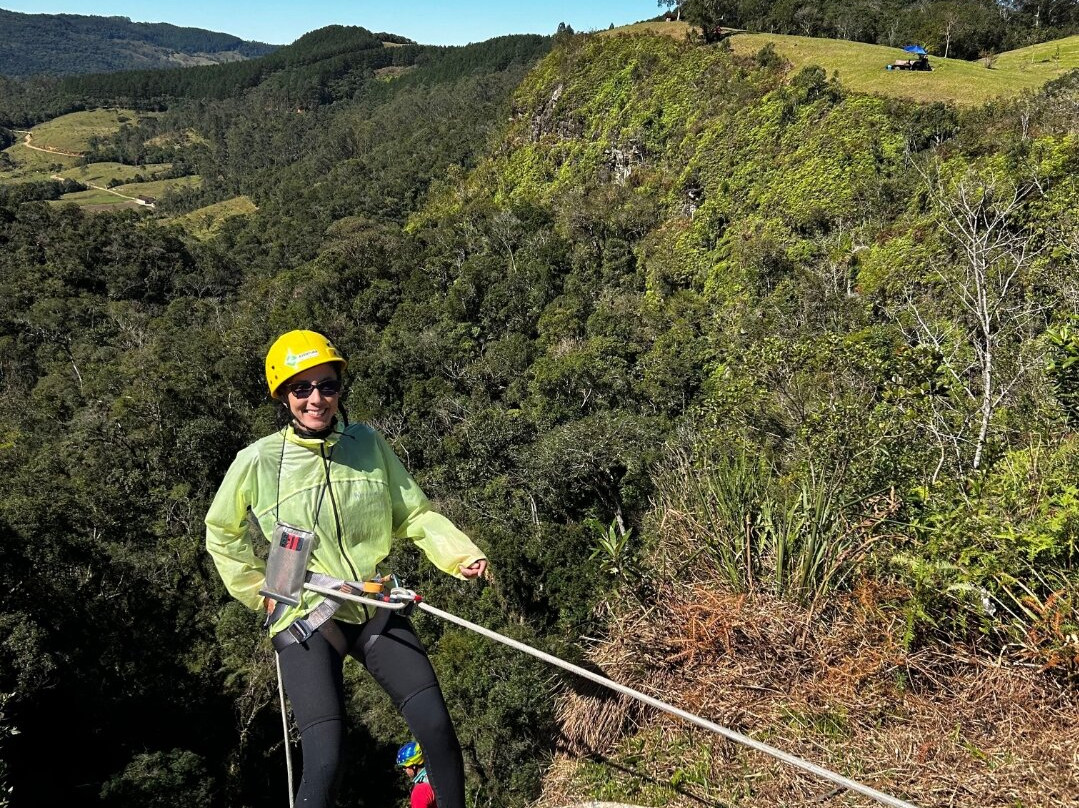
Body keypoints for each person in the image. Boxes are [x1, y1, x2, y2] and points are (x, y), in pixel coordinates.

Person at [205, 329, 487, 808]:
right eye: (302, 389)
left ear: (340, 389)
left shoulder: (366, 443)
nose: (317, 399)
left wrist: (461, 554)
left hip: (369, 600)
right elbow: (221, 531)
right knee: (326, 759)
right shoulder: (258, 460)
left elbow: (413, 514)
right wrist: (259, 589)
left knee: (436, 727)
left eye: (328, 386)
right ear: (283, 395)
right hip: (305, 614)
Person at [396, 740, 437, 808]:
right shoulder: (435, 775)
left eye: (404, 766)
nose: (403, 769)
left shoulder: (420, 791)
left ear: (413, 766)